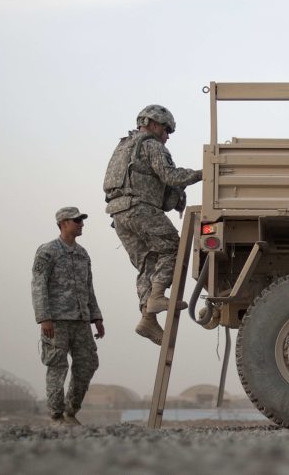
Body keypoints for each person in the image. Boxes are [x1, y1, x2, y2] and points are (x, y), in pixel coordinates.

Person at [104, 105, 202, 344]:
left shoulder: (123, 147)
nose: (167, 136)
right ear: (153, 124)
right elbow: (171, 176)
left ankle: (147, 319)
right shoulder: (151, 145)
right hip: (140, 209)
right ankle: (157, 296)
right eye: (166, 130)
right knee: (173, 248)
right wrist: (204, 173)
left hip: (118, 214)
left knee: (148, 262)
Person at [31, 206, 105, 425]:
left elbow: (88, 287)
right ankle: (56, 415)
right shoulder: (47, 251)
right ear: (63, 223)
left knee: (88, 363)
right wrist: (44, 317)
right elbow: (38, 285)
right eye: (77, 220)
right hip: (56, 321)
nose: (81, 224)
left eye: (81, 220)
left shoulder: (83, 254)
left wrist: (96, 317)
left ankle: (71, 412)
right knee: (57, 366)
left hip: (81, 321)